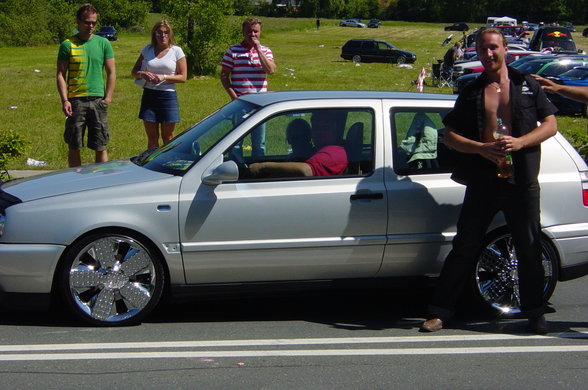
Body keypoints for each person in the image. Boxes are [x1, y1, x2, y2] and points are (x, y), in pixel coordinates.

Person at [420, 28, 558, 334]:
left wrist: (521, 143)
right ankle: (441, 312)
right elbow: (451, 135)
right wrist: (481, 149)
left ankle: (535, 313)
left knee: (528, 247)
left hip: (521, 181)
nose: (489, 54)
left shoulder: (527, 84)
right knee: (465, 246)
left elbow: (550, 125)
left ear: (505, 49)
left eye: (494, 47)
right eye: (483, 49)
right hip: (483, 180)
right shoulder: (471, 88)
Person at [56, 3, 116, 167]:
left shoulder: (103, 43)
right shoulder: (67, 45)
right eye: (86, 22)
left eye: (93, 23)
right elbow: (61, 74)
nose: (90, 26)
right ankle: (76, 183)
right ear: (78, 21)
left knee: (100, 145)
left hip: (98, 101)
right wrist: (65, 100)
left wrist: (108, 98)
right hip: (75, 101)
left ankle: (101, 182)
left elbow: (111, 73)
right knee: (74, 145)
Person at [220, 17, 276, 158]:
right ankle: (236, 169)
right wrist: (234, 97)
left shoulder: (266, 51)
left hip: (261, 103)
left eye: (255, 32)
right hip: (241, 102)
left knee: (259, 142)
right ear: (243, 32)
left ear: (260, 32)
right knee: (236, 141)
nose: (252, 35)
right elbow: (224, 76)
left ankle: (257, 170)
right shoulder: (233, 51)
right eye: (249, 31)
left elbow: (271, 70)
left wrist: (258, 50)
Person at [132, 21, 187, 149]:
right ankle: (151, 163)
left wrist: (164, 77)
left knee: (168, 137)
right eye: (159, 32)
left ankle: (167, 164)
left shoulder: (176, 51)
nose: (163, 35)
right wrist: (142, 74)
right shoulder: (147, 49)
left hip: (167, 96)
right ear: (154, 34)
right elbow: (134, 71)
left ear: (170, 34)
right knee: (152, 137)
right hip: (149, 95)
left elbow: (183, 77)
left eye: (166, 32)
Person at [248, 111, 347, 178]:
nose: (319, 132)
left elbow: (306, 171)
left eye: (325, 128)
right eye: (316, 127)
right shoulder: (316, 151)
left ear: (336, 130)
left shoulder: (334, 153)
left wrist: (263, 166)